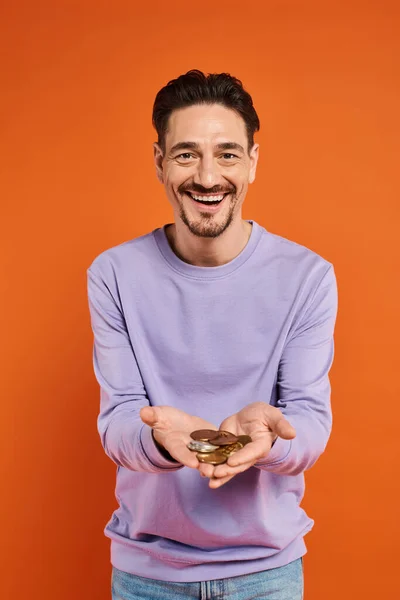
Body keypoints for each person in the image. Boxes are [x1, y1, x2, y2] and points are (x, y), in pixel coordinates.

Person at [86, 69, 338, 600]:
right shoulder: (112, 275)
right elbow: (118, 422)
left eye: (226, 153)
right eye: (185, 154)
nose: (206, 176)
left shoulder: (307, 276)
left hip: (266, 573)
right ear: (159, 163)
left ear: (252, 162)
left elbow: (310, 422)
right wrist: (159, 438)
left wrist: (272, 439)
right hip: (147, 574)